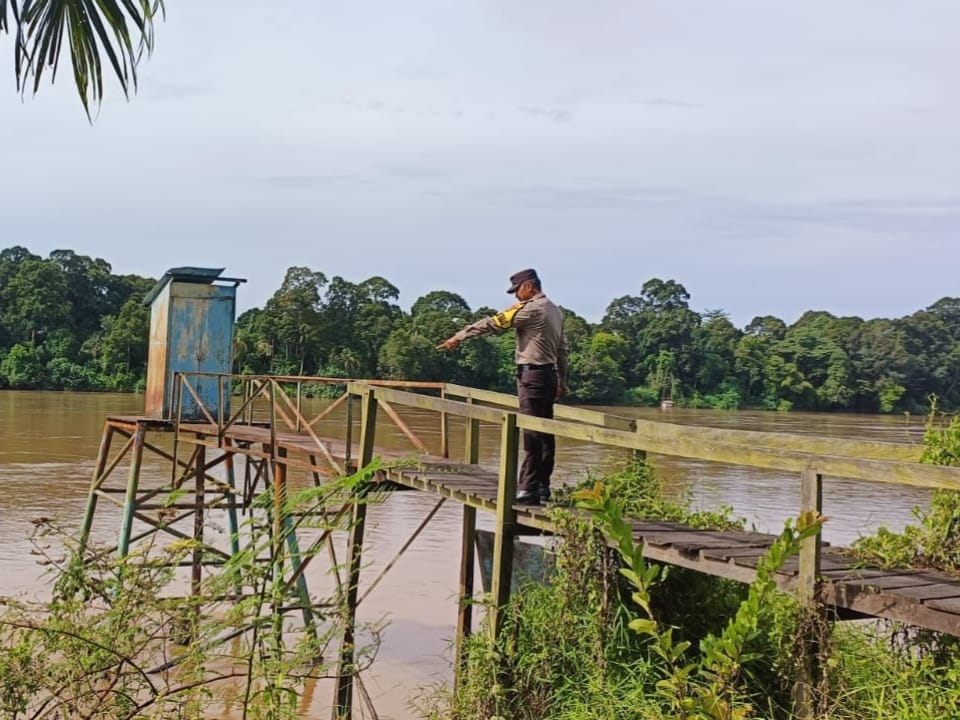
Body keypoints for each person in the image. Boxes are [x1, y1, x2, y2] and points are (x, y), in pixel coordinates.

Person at [436, 268, 569, 505]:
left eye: (517, 290)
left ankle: (527, 489)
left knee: (531, 433)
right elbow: (561, 350)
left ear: (529, 286)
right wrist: (563, 381)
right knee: (545, 433)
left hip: (532, 376)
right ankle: (542, 487)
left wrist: (459, 336)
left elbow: (493, 323)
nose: (516, 296)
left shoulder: (531, 309)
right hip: (548, 376)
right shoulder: (555, 311)